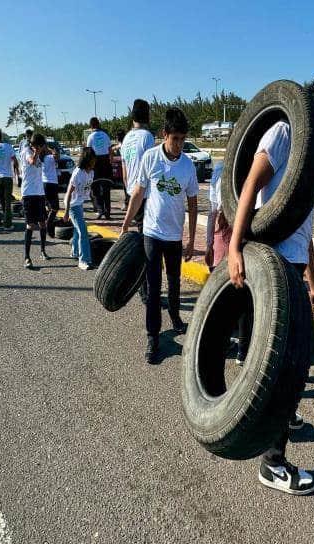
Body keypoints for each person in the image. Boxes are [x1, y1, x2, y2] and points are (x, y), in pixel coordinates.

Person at [228, 75, 314, 496]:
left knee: (291, 362)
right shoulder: (285, 132)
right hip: (273, 266)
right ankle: (273, 463)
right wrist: (234, 247)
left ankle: (284, 419)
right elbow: (248, 187)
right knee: (287, 365)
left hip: (295, 265)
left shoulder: (313, 157)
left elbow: (303, 223)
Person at [120, 108, 198, 364]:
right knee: (154, 289)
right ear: (165, 135)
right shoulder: (150, 158)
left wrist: (191, 239)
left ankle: (175, 318)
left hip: (174, 236)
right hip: (151, 233)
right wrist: (126, 223)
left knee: (174, 283)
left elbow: (193, 203)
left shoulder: (188, 165)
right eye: (175, 139)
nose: (178, 145)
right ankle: (152, 336)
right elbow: (138, 194)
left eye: (182, 139)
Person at [120, 99, 155, 303]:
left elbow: (125, 171)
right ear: (147, 116)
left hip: (130, 194)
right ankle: (146, 291)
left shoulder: (126, 139)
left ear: (133, 117)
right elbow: (150, 167)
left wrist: (129, 191)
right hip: (145, 196)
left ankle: (144, 289)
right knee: (147, 244)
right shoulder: (147, 137)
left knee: (142, 242)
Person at [62, 147, 96, 270]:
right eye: (92, 160)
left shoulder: (91, 172)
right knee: (83, 231)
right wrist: (66, 212)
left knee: (77, 230)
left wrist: (94, 204)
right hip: (72, 205)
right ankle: (84, 260)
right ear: (87, 160)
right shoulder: (78, 173)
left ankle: (75, 252)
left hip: (79, 203)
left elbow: (89, 189)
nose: (94, 162)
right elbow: (69, 193)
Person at [21, 133, 49, 268]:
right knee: (31, 225)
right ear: (37, 146)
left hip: (39, 193)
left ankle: (43, 250)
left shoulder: (38, 153)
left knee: (43, 223)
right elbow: (32, 161)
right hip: (28, 194)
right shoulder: (27, 151)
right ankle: (27, 257)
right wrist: (37, 152)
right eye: (42, 146)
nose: (43, 149)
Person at [0, 128, 19, 230]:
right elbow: (15, 160)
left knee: (2, 201)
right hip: (8, 177)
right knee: (7, 201)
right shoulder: (9, 146)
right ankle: (8, 223)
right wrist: (16, 172)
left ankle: (6, 220)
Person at [204, 162, 231, 272]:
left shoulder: (219, 168)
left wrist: (209, 244)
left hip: (226, 225)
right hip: (230, 225)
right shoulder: (220, 169)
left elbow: (212, 213)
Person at [87, 117, 112, 219]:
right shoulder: (105, 135)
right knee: (106, 188)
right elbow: (110, 150)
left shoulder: (91, 137)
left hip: (95, 163)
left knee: (95, 187)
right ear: (99, 124)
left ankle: (100, 210)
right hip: (105, 162)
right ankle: (107, 212)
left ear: (91, 126)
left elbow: (88, 152)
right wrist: (110, 162)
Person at [41, 144, 60, 238]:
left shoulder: (40, 158)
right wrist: (50, 149)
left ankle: (48, 225)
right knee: (55, 208)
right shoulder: (49, 157)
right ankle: (48, 226)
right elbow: (57, 155)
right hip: (52, 183)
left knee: (49, 206)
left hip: (43, 183)